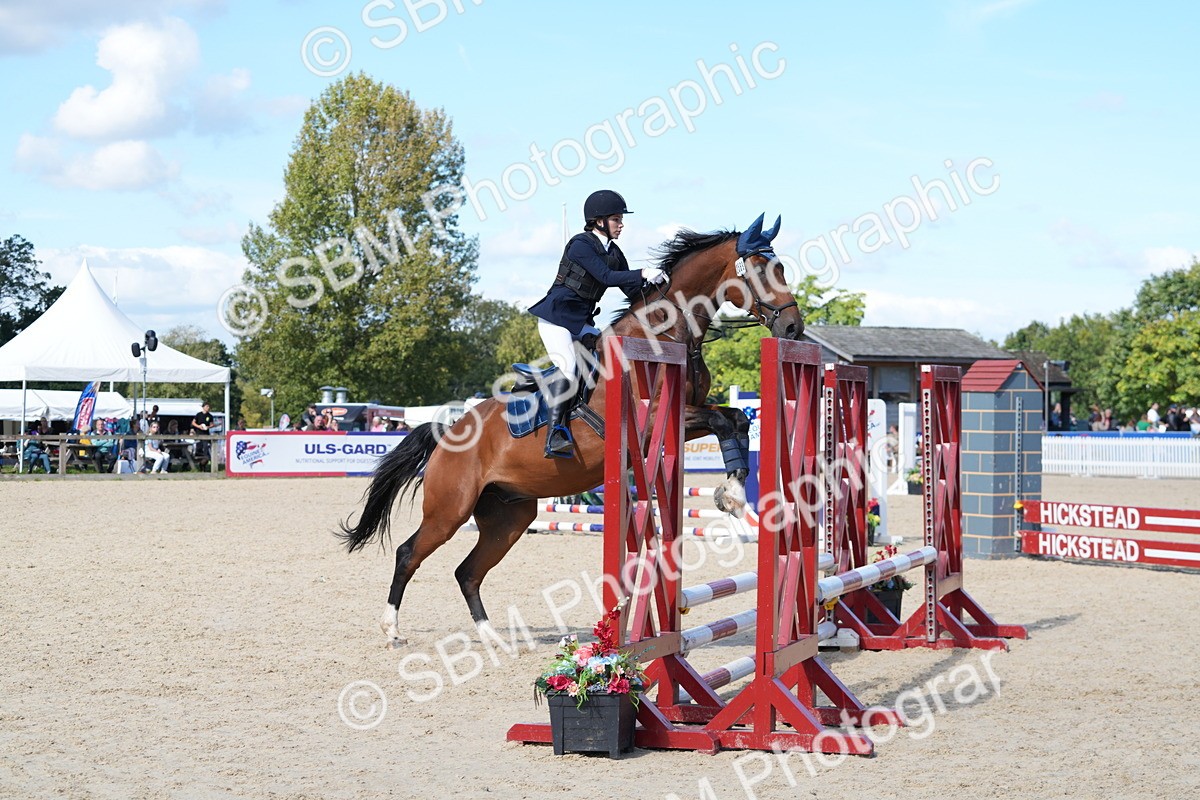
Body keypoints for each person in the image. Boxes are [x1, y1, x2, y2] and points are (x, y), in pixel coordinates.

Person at [527, 189, 668, 458]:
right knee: (568, 369)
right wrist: (643, 272)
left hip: (581, 322)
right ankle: (555, 434)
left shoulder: (614, 252)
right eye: (616, 219)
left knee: (609, 357)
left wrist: (658, 294)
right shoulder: (581, 244)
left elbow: (631, 292)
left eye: (620, 219)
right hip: (556, 320)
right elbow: (605, 276)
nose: (621, 224)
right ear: (599, 221)